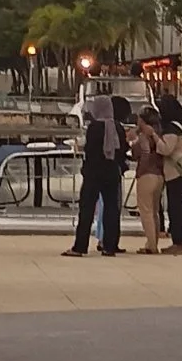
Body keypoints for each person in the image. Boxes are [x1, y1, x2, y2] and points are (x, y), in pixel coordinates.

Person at [65, 89, 123, 257]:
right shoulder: (118, 127)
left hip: (94, 173)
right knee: (112, 209)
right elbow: (121, 150)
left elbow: (90, 150)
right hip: (112, 172)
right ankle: (110, 246)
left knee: (87, 209)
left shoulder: (94, 127)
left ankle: (80, 246)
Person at [157, 94, 182, 253]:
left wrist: (155, 138)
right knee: (179, 206)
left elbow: (166, 149)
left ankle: (179, 242)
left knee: (176, 208)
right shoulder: (181, 125)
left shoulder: (171, 128)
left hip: (176, 172)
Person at [130, 103, 167, 252]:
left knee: (145, 211)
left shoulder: (144, 136)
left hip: (146, 175)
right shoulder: (159, 134)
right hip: (159, 175)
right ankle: (153, 242)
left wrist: (133, 141)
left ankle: (151, 245)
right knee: (155, 211)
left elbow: (138, 153)